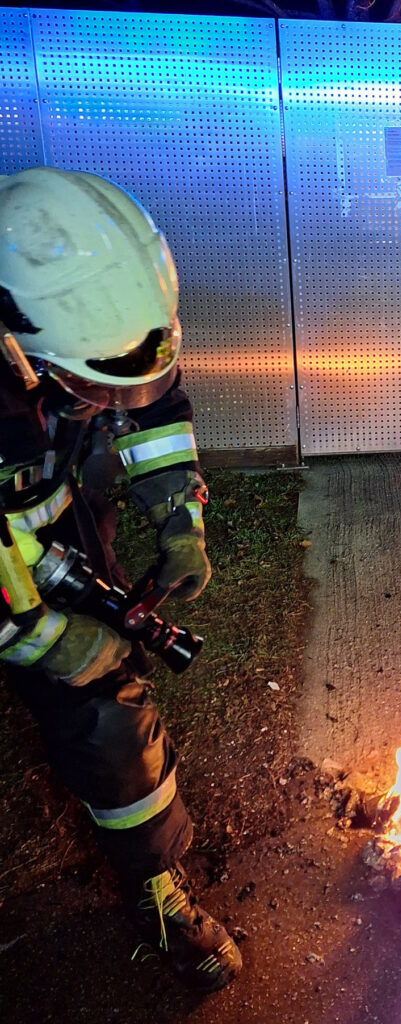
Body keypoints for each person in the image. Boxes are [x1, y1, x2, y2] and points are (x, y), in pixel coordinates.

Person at [0, 166, 242, 992]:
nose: (112, 401)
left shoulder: (91, 322)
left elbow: (149, 410)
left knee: (106, 716)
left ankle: (153, 884)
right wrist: (47, 637)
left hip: (51, 528)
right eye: (89, 385)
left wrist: (181, 521)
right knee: (86, 683)